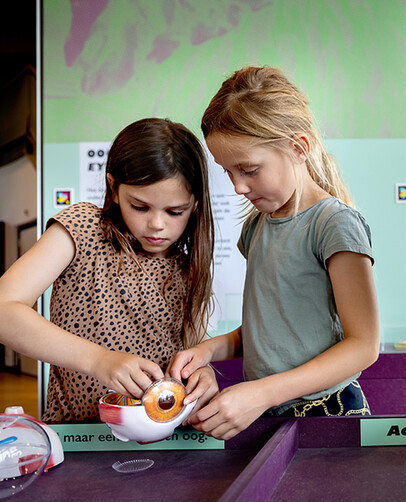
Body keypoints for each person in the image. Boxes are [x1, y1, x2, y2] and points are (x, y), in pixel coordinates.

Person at [169, 66, 380, 440]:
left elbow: (363, 346)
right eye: (228, 172)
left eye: (249, 170)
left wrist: (261, 393)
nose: (237, 187)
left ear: (298, 148)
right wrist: (211, 349)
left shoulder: (333, 223)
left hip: (328, 411)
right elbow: (270, 331)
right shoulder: (256, 227)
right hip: (272, 413)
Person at [0, 118, 218, 422]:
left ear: (194, 206)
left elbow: (192, 352)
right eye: (140, 207)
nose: (157, 224)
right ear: (114, 188)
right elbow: (3, 310)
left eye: (175, 211)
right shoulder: (82, 229)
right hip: (81, 435)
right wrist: (98, 360)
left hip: (165, 437)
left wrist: (202, 373)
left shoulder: (188, 266)